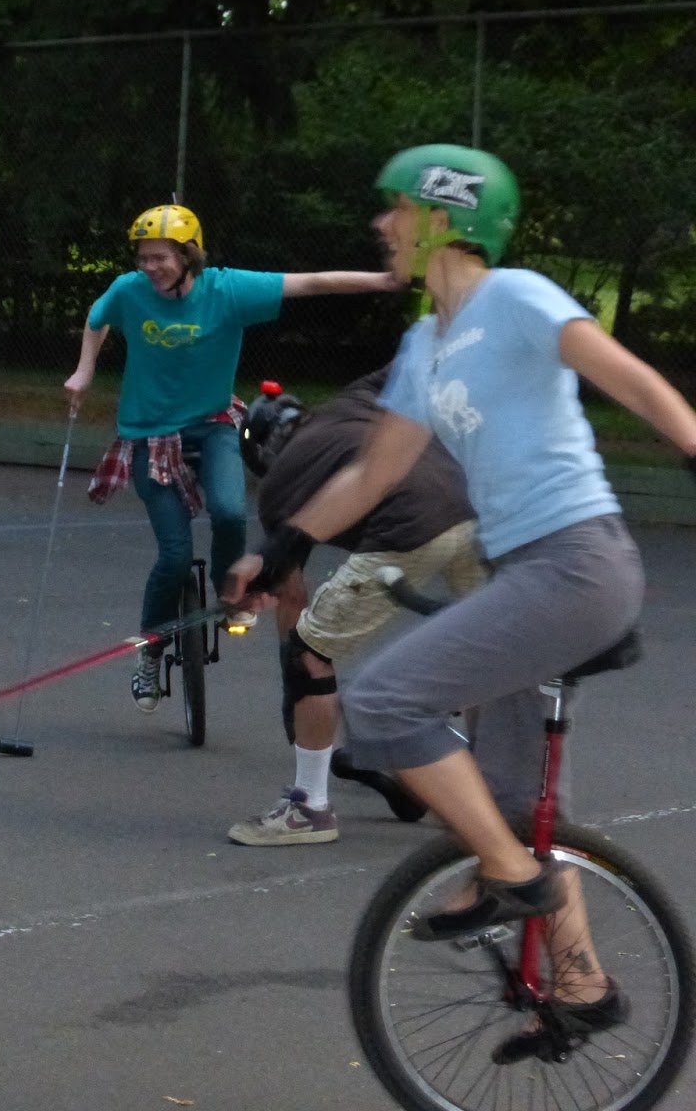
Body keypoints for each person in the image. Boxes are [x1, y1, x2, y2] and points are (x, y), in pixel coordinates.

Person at [226, 143, 696, 1053]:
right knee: (506, 801)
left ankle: (516, 878)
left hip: (577, 563)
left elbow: (628, 378)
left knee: (384, 700)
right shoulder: (425, 346)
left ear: (446, 216)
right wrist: (278, 546)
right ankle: (582, 981)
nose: (382, 225)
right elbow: (374, 473)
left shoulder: (514, 298)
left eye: (396, 208)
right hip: (524, 574)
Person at [63, 203, 398, 712]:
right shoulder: (130, 292)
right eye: (143, 257)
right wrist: (84, 371)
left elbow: (311, 284)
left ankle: (230, 596)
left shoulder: (226, 291)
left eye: (160, 257)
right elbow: (96, 319)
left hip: (213, 421)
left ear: (188, 255)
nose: (149, 266)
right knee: (173, 556)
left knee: (228, 510)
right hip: (148, 433)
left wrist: (386, 280)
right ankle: (149, 655)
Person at [229, 369, 516, 846]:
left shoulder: (279, 486)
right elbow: (426, 365)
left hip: (408, 525)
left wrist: (295, 687)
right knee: (488, 647)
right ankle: (501, 785)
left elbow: (291, 595)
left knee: (310, 649)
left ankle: (309, 807)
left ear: (260, 454)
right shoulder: (357, 396)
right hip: (472, 511)